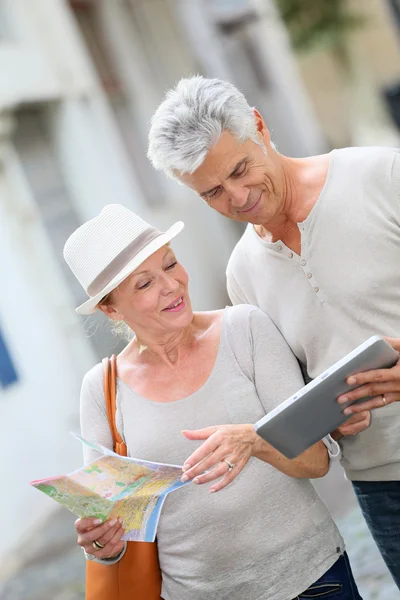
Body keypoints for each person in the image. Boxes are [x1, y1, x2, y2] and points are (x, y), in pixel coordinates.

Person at [147, 76, 400, 588]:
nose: (238, 197)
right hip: (382, 486)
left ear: (259, 126)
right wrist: (327, 419)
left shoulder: (382, 174)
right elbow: (295, 399)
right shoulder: (242, 273)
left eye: (240, 170)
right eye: (212, 192)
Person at [63, 204, 362, 600]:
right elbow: (110, 524)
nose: (171, 285)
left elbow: (316, 462)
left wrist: (255, 439)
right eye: (144, 284)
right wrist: (101, 543)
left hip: (312, 578)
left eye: (171, 265)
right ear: (110, 307)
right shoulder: (101, 389)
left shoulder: (246, 329)